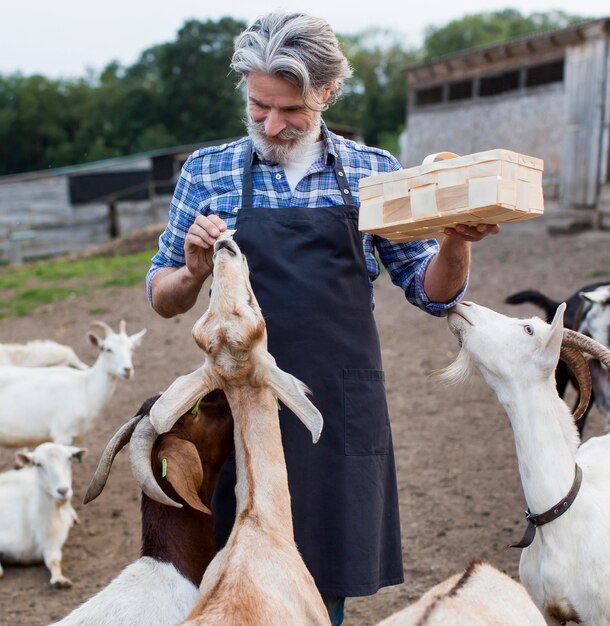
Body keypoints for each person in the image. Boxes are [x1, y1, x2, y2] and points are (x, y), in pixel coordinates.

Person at [146, 11, 499, 625]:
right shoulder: (206, 171)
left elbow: (429, 291)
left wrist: (455, 242)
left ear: (327, 93)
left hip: (335, 407)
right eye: (259, 107)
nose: (272, 124)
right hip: (240, 409)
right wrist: (194, 268)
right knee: (237, 580)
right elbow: (163, 295)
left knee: (322, 586)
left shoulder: (373, 172)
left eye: (291, 111)